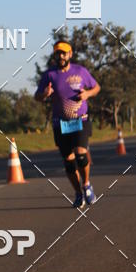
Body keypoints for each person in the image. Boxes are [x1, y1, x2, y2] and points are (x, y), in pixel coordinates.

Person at [35, 39, 101, 208]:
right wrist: (45, 94)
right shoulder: (49, 75)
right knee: (69, 162)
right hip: (61, 123)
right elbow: (37, 97)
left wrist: (87, 94)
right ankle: (78, 193)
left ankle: (86, 185)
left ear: (70, 54)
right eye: (58, 53)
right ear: (54, 55)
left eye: (64, 53)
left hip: (81, 120)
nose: (61, 56)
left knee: (80, 154)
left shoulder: (81, 71)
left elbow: (96, 87)